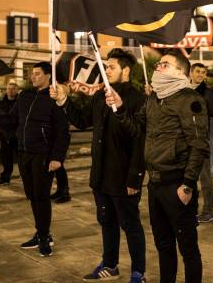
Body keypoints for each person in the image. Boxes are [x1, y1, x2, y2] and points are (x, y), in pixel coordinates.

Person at [105, 49, 210, 283]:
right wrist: (121, 108)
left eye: (165, 64)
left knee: (188, 249)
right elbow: (135, 130)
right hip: (155, 183)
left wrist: (188, 185)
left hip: (177, 184)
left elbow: (199, 145)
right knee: (163, 245)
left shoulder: (189, 99)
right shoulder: (154, 98)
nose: (158, 67)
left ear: (180, 71)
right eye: (159, 64)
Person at [51, 48, 147, 283]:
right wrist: (63, 99)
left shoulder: (139, 99)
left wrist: (135, 178)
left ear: (126, 70)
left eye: (111, 67)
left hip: (124, 177)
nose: (106, 70)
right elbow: (82, 121)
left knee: (131, 225)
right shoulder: (99, 95)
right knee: (107, 222)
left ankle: (138, 272)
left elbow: (140, 141)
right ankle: (110, 265)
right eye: (106, 66)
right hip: (101, 175)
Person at [0, 62, 70, 257]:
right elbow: (11, 120)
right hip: (24, 153)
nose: (32, 77)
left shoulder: (54, 99)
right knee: (32, 196)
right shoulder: (25, 96)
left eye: (37, 74)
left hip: (43, 155)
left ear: (47, 76)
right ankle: (41, 232)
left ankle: (44, 239)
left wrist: (57, 157)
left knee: (41, 196)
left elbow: (63, 132)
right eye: (31, 74)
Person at [189, 63, 213, 223]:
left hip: (203, 140)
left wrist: (211, 140)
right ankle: (191, 208)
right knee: (188, 177)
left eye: (203, 72)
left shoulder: (210, 93)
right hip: (186, 140)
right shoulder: (184, 91)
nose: (201, 74)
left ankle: (208, 210)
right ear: (191, 72)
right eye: (198, 71)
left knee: (205, 177)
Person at [0, 82, 19, 186]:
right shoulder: (0, 103)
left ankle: (27, 177)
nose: (11, 90)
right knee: (6, 160)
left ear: (17, 90)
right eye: (9, 88)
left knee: (22, 160)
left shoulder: (20, 103)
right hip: (4, 136)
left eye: (13, 89)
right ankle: (5, 178)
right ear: (6, 90)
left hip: (18, 136)